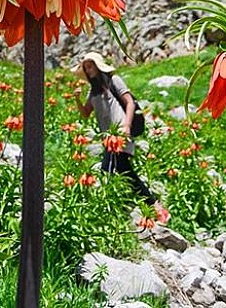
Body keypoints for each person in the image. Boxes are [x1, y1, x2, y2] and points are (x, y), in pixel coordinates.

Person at [73, 51, 170, 225]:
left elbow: (129, 102)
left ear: (98, 66)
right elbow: (86, 113)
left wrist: (126, 125)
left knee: (108, 170)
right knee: (124, 171)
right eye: (86, 68)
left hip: (120, 134)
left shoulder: (114, 81)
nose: (88, 70)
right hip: (108, 139)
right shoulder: (93, 92)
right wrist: (77, 100)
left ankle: (109, 214)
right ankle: (155, 207)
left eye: (90, 66)